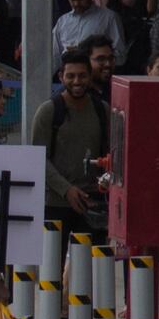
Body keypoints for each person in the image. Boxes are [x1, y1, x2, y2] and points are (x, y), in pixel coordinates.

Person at [31, 51, 115, 239]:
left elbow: (112, 154)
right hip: (55, 204)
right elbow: (38, 158)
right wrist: (66, 190)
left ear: (89, 76)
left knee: (94, 265)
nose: (77, 81)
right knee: (52, 264)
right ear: (61, 76)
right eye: (71, 76)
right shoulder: (48, 111)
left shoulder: (103, 110)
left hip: (93, 203)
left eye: (82, 75)